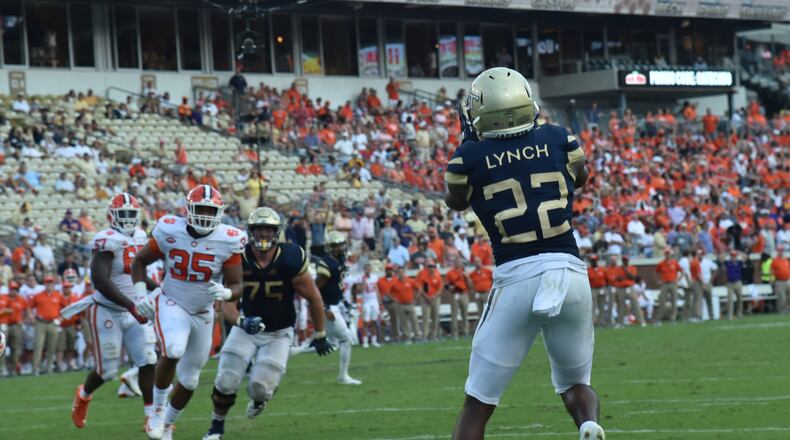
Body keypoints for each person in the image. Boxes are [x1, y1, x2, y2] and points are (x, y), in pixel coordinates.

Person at [444, 67, 603, 440]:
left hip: (516, 276)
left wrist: (474, 147)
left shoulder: (467, 157)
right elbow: (582, 178)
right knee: (576, 382)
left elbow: (456, 201)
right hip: (569, 271)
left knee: (478, 403)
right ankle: (588, 424)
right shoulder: (560, 138)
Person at [203, 208, 331, 440]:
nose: (263, 234)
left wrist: (320, 333)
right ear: (250, 232)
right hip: (245, 329)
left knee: (259, 388)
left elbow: (314, 297)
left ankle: (261, 398)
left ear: (277, 232)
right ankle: (216, 427)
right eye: (259, 229)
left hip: (279, 333)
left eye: (268, 230)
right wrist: (242, 321)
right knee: (226, 379)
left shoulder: (290, 257)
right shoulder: (239, 256)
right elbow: (227, 303)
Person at [132, 185, 246, 440]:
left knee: (190, 380)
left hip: (203, 311)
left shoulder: (229, 239)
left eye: (210, 210)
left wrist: (227, 293)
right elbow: (139, 260)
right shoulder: (170, 229)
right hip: (172, 301)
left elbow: (238, 284)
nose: (205, 215)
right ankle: (156, 412)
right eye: (200, 209)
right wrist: (140, 294)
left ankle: (167, 425)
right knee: (173, 349)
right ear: (189, 209)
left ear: (219, 212)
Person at [69, 193, 156, 429]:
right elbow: (100, 280)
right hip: (107, 311)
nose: (127, 218)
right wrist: (130, 305)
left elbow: (138, 273)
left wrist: (159, 289)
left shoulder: (140, 236)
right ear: (111, 216)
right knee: (107, 372)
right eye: (122, 213)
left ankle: (152, 416)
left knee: (148, 360)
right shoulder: (106, 239)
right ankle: (83, 395)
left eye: (131, 214)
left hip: (134, 309)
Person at [312, 231, 362, 385]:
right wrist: (324, 308)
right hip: (328, 308)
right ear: (330, 247)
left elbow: (336, 286)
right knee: (346, 339)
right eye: (337, 245)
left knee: (331, 343)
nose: (341, 248)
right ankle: (343, 376)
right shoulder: (328, 263)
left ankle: (294, 351)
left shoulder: (339, 261)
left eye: (342, 244)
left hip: (336, 305)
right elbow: (314, 289)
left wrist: (344, 303)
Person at [29, 275, 66, 376]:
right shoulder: (38, 295)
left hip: (53, 323)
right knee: (38, 345)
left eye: (51, 282)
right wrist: (31, 316)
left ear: (53, 284)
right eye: (47, 282)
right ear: (44, 284)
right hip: (40, 323)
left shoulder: (58, 295)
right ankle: (35, 368)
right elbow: (29, 306)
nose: (49, 284)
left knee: (52, 346)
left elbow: (66, 307)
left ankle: (49, 367)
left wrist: (61, 318)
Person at [351, 263, 382, 348]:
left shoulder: (374, 277)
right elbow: (358, 291)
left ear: (371, 269)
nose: (368, 270)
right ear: (364, 270)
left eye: (369, 268)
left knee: (374, 321)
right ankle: (365, 341)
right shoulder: (360, 278)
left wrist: (380, 302)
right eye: (366, 269)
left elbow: (377, 290)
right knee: (366, 322)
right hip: (366, 301)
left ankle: (374, 341)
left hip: (374, 301)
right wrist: (363, 283)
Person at [0, 281, 27, 376]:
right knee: (2, 347)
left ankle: (13, 368)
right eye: (12, 289)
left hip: (16, 325)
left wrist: (24, 320)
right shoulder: (3, 297)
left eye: (15, 289)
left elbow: (27, 310)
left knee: (15, 348)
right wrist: (5, 311)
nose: (14, 291)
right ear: (9, 290)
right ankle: (2, 368)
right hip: (4, 325)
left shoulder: (21, 299)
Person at [389, 266, 421, 343]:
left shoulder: (410, 280)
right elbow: (389, 293)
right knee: (404, 322)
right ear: (397, 273)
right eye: (399, 272)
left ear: (404, 272)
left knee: (414, 320)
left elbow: (419, 288)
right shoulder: (394, 282)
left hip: (410, 303)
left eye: (402, 272)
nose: (401, 273)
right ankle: (407, 337)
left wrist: (416, 297)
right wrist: (394, 299)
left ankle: (417, 336)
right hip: (400, 305)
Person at [613, 256, 645, 327]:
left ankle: (641, 321)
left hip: (630, 287)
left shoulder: (632, 268)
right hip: (621, 288)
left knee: (635, 304)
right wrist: (624, 277)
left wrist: (626, 271)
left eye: (626, 260)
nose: (625, 261)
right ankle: (620, 323)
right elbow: (617, 278)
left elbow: (632, 277)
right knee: (620, 305)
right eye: (623, 260)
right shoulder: (618, 269)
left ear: (628, 261)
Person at [416, 259, 444, 340]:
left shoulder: (437, 274)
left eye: (432, 266)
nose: (431, 268)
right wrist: (426, 297)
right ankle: (425, 335)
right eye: (430, 266)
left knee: (435, 316)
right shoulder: (421, 274)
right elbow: (420, 287)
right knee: (425, 317)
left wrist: (435, 296)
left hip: (435, 298)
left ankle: (434, 334)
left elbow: (440, 287)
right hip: (425, 299)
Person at [445, 258, 472, 338]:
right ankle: (455, 333)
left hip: (464, 294)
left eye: (459, 262)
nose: (458, 263)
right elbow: (446, 284)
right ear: (454, 263)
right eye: (456, 262)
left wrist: (467, 277)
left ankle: (465, 332)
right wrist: (450, 287)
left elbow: (470, 285)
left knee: (465, 314)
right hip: (454, 294)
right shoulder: (450, 272)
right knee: (454, 314)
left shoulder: (465, 272)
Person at [655, 248, 682, 323]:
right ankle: (658, 318)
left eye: (668, 253)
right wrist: (658, 280)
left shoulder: (674, 263)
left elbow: (681, 271)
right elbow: (655, 272)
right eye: (666, 253)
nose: (667, 255)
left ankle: (673, 318)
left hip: (673, 283)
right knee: (662, 301)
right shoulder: (661, 263)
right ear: (664, 254)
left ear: (670, 254)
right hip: (664, 284)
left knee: (674, 301)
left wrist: (678, 279)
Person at [377, 264, 400, 342]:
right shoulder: (380, 280)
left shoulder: (396, 280)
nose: (389, 271)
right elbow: (378, 292)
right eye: (387, 270)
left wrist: (397, 299)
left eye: (390, 270)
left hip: (393, 303)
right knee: (383, 321)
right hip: (384, 303)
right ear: (385, 271)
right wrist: (380, 302)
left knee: (395, 320)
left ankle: (395, 337)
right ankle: (382, 338)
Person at [468, 257, 493, 328]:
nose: (477, 263)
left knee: (488, 310)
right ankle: (482, 327)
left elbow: (494, 280)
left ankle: (489, 326)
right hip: (478, 294)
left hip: (486, 293)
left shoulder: (487, 271)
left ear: (481, 262)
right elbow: (470, 284)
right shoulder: (472, 274)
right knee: (480, 311)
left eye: (478, 261)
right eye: (475, 262)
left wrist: (490, 289)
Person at [587, 256, 608, 326]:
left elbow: (607, 279)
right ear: (590, 262)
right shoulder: (588, 270)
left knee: (602, 306)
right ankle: (593, 321)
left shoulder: (602, 269)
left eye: (594, 260)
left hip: (602, 288)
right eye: (592, 261)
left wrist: (605, 287)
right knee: (593, 306)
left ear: (597, 261)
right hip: (593, 289)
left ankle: (601, 321)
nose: (593, 262)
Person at [723, 250, 744, 320]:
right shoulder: (728, 263)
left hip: (738, 282)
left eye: (734, 256)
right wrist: (727, 253)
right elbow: (720, 258)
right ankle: (730, 315)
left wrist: (739, 252)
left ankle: (739, 313)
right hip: (730, 283)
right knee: (730, 299)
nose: (733, 257)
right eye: (732, 256)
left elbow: (746, 257)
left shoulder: (739, 263)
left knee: (739, 298)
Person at [771, 246, 789, 313]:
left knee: (788, 296)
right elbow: (771, 271)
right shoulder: (775, 260)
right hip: (779, 281)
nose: (781, 252)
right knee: (782, 297)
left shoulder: (786, 260)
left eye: (782, 250)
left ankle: (788, 309)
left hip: (787, 280)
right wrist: (771, 279)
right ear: (777, 252)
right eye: (779, 250)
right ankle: (781, 310)